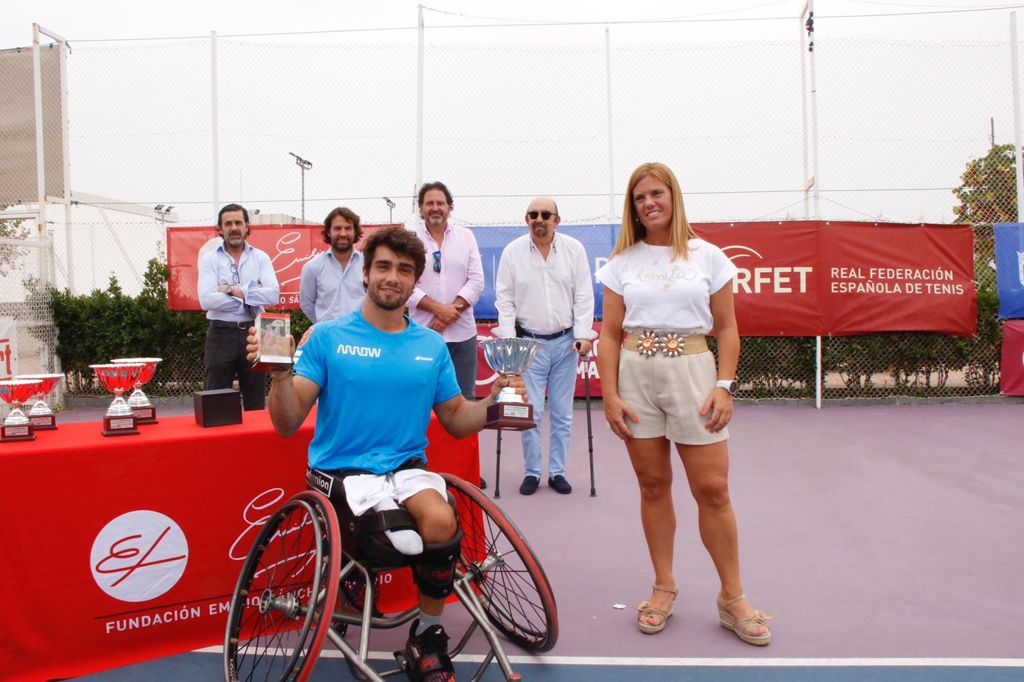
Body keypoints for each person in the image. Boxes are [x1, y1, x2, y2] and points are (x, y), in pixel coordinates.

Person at [252, 226, 525, 681]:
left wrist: (497, 404)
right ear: (366, 273)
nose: (392, 277)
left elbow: (457, 417)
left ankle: (427, 635)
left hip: (405, 470)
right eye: (383, 266)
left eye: (403, 269)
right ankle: (357, 579)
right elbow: (285, 422)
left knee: (440, 521)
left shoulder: (430, 345)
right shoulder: (326, 337)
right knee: (400, 538)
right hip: (339, 476)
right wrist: (278, 376)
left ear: (414, 280)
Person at [595, 163, 771, 645]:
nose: (648, 203)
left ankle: (733, 598)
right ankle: (663, 586)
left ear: (674, 196)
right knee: (653, 485)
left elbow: (728, 327)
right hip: (636, 377)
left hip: (694, 374)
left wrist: (724, 385)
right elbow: (609, 334)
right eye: (638, 198)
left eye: (656, 193)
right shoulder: (621, 262)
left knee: (712, 489)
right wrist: (610, 395)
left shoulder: (709, 256)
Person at [494, 197, 596, 496]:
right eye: (532, 214)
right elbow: (505, 298)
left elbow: (583, 295)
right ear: (526, 219)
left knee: (563, 413)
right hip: (530, 345)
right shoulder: (513, 252)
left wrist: (583, 334)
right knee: (531, 412)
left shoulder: (574, 249)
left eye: (545, 214)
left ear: (557, 220)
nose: (539, 219)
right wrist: (512, 342)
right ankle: (532, 472)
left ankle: (557, 472)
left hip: (566, 343)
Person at [408, 181, 488, 489]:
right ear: (421, 208)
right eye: (429, 203)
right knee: (421, 404)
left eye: (440, 203)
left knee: (465, 403)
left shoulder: (466, 237)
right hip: (422, 335)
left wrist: (450, 311)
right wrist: (438, 311)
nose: (435, 208)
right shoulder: (411, 238)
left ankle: (467, 470)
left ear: (450, 207)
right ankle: (421, 469)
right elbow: (408, 285)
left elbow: (477, 281)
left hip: (462, 336)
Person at [198, 203, 280, 410]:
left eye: (238, 222)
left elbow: (272, 295)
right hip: (220, 334)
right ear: (220, 229)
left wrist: (229, 290)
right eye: (228, 223)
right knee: (216, 402)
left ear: (247, 227)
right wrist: (249, 297)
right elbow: (206, 300)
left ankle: (255, 444)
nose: (234, 227)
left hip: (254, 331)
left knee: (256, 403)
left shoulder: (260, 258)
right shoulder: (210, 260)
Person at [299, 206, 366, 324]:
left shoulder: (367, 264)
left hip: (361, 336)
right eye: (337, 228)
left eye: (348, 228)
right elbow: (307, 305)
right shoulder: (313, 267)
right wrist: (326, 328)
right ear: (329, 232)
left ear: (355, 231)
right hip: (327, 338)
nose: (343, 233)